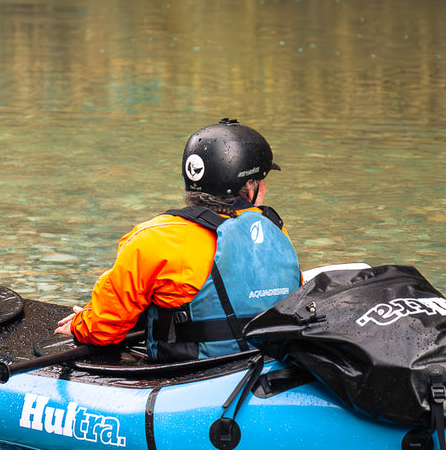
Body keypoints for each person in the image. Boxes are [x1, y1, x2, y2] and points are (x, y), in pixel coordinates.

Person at [55, 118, 301, 361]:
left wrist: (81, 324)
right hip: (268, 363)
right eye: (262, 180)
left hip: (190, 374)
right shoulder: (277, 232)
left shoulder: (153, 238)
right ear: (250, 187)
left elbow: (103, 330)